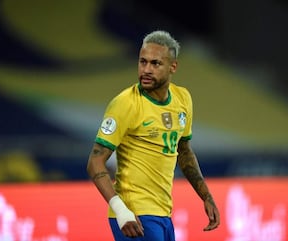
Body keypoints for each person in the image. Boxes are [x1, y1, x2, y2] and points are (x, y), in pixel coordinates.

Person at [86, 30, 220, 240]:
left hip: (163, 214)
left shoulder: (182, 98)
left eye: (155, 64)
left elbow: (184, 152)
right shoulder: (125, 103)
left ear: (172, 67)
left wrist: (206, 196)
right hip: (135, 216)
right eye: (142, 62)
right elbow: (95, 162)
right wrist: (121, 211)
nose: (146, 69)